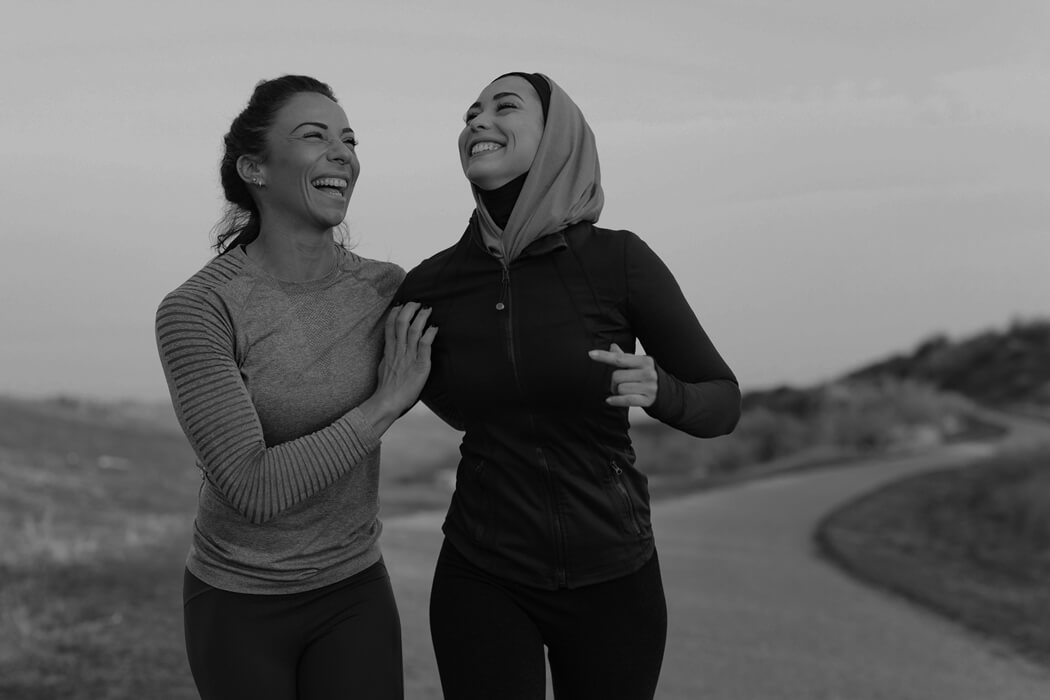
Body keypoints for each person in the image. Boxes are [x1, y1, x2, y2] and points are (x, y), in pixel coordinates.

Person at [394, 72, 741, 699]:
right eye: (470, 113)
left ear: (557, 137)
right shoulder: (432, 286)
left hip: (613, 571)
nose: (478, 122)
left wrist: (664, 391)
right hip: (483, 568)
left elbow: (722, 400)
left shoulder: (619, 261)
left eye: (504, 107)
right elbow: (428, 391)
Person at [155, 75, 435, 700]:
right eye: (315, 136)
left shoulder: (390, 290)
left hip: (354, 589)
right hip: (238, 601)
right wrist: (384, 404)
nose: (343, 154)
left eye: (349, 139)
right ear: (254, 167)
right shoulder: (200, 308)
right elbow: (252, 486)